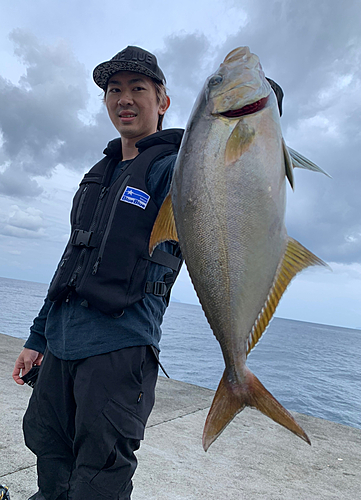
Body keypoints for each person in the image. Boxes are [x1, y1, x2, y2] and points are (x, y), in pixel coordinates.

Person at [12, 46, 184, 500]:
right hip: (63, 344)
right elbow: (70, 260)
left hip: (120, 347)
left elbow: (226, 177)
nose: (124, 99)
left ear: (162, 101)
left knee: (100, 472)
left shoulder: (174, 170)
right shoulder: (101, 172)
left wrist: (255, 112)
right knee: (48, 446)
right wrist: (37, 338)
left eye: (137, 89)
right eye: (114, 90)